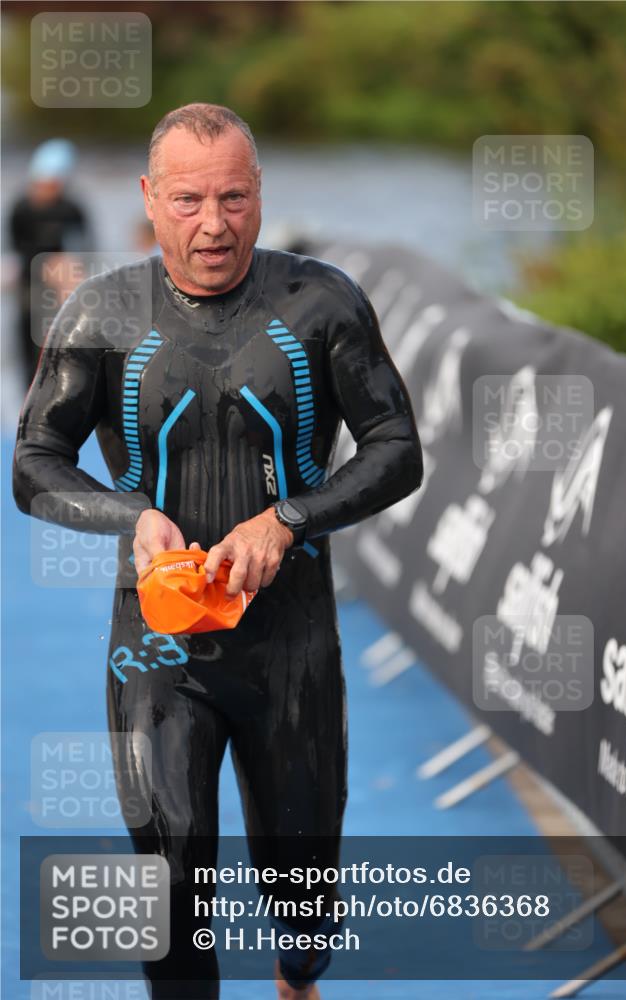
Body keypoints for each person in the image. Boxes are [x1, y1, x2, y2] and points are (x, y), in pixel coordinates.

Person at [13, 104, 423, 999]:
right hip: (156, 648)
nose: (213, 223)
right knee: (169, 880)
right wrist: (131, 518)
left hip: (292, 644)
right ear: (149, 199)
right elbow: (33, 465)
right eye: (189, 199)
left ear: (260, 195)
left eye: (234, 197)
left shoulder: (319, 302)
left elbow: (397, 448)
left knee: (305, 899)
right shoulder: (102, 313)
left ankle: (297, 969)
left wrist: (288, 520)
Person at [9, 138, 92, 389]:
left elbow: (85, 250)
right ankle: (27, 401)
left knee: (61, 351)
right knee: (28, 350)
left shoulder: (71, 209)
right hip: (30, 286)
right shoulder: (21, 209)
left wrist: (71, 271)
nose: (46, 190)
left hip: (62, 289)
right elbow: (15, 249)